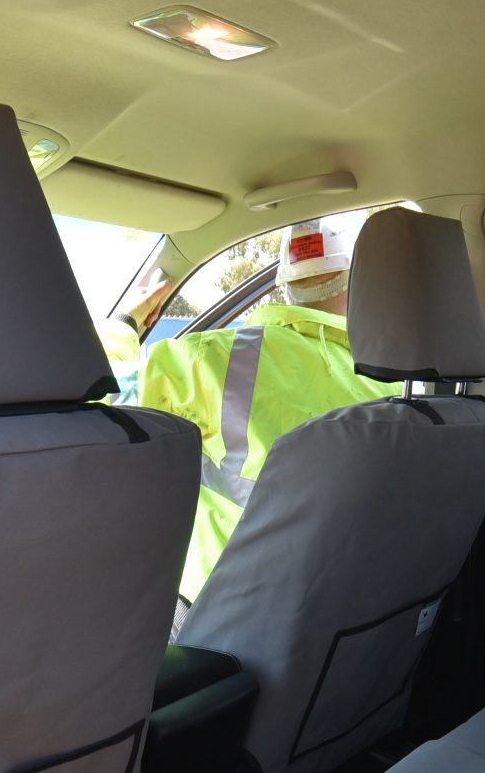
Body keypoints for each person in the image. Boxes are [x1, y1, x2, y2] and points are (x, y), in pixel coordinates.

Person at [139, 216, 396, 603]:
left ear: (285, 285)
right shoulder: (396, 387)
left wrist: (124, 327)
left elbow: (93, 397)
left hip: (219, 609)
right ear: (361, 280)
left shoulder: (208, 357)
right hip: (344, 603)